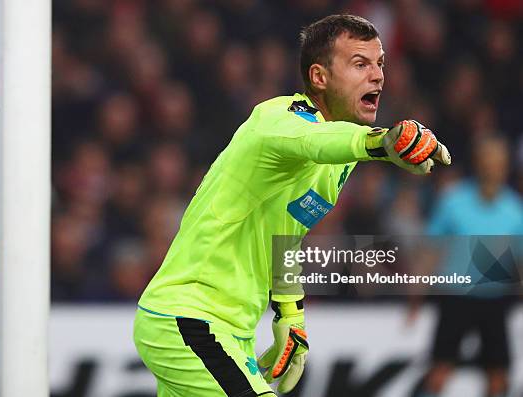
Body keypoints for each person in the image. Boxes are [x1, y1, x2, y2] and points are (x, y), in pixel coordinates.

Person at [133, 14, 451, 397]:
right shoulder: (277, 118)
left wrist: (290, 314)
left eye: (380, 63)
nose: (379, 76)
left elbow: (286, 234)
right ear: (319, 77)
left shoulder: (341, 160)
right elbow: (313, 141)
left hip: (233, 332)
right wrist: (382, 143)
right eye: (360, 64)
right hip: (189, 318)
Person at [413, 135, 522, 397]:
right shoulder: (453, 201)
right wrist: (415, 295)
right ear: (477, 164)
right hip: (455, 296)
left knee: (498, 377)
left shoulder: (514, 210)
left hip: (495, 299)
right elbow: (431, 250)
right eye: (487, 162)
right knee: (439, 371)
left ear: (505, 166)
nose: (492, 168)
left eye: (497, 163)